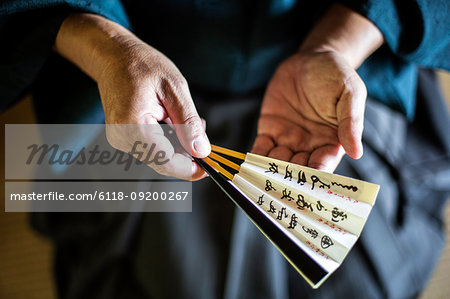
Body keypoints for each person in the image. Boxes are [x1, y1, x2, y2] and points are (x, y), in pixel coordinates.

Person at [1, 0, 449, 298]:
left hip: (337, 78)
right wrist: (108, 48)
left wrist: (336, 45)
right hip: (125, 71)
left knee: (356, 268)